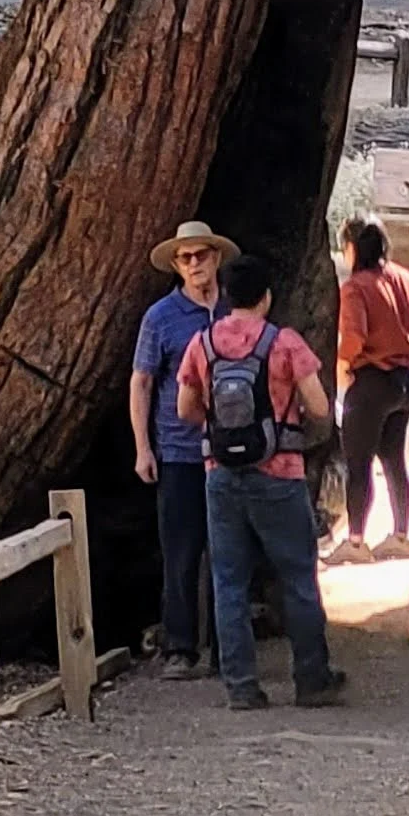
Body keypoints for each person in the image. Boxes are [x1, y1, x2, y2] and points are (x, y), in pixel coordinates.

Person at [175, 252, 345, 712]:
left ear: (227, 296)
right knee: (297, 577)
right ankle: (312, 679)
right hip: (280, 474)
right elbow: (321, 407)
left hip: (221, 478)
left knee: (228, 580)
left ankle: (241, 686)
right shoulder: (284, 343)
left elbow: (185, 409)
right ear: (266, 298)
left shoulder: (204, 344)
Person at [130, 220, 233, 676]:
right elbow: (143, 381)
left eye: (201, 255)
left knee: (230, 551)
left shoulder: (235, 310)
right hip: (178, 450)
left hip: (232, 450)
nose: (195, 265)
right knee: (181, 551)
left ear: (216, 257)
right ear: (175, 265)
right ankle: (180, 647)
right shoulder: (160, 317)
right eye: (185, 258)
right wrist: (142, 448)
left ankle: (228, 648)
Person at [332, 218, 409, 565]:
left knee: (358, 462)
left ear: (352, 248)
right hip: (407, 380)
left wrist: (342, 366)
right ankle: (401, 535)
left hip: (371, 382)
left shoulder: (354, 287)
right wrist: (406, 345)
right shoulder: (404, 277)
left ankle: (356, 540)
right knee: (394, 458)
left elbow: (353, 337)